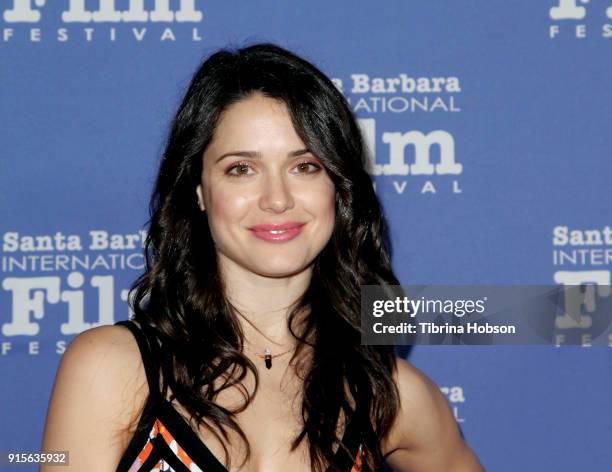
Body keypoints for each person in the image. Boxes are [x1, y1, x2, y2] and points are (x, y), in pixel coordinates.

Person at [41, 43, 484, 472]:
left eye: (305, 166)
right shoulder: (111, 368)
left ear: (339, 187)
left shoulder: (388, 395)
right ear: (198, 190)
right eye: (241, 168)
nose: (277, 199)